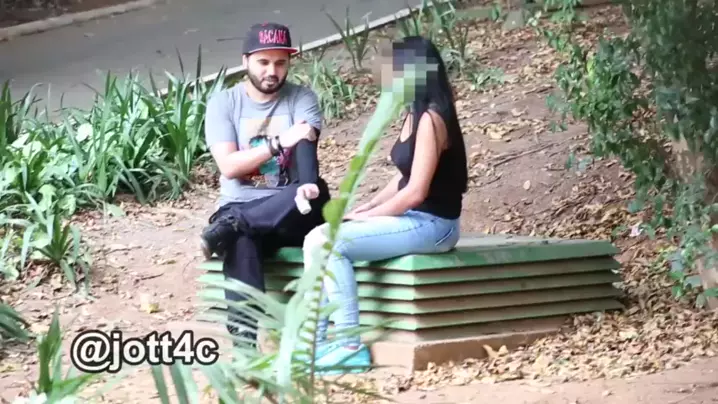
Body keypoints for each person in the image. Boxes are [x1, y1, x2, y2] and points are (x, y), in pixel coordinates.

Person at [299, 36, 468, 375]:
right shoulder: (414, 114)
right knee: (316, 238)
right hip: (415, 219)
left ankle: (349, 346)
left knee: (328, 243)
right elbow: (403, 178)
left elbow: (416, 192)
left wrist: (370, 217)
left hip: (434, 225)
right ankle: (312, 347)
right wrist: (365, 208)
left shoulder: (432, 119)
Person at [201, 22, 331, 349]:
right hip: (241, 205)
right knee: (242, 240)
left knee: (316, 191)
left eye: (280, 63)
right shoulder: (224, 103)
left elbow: (305, 143)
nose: (272, 71)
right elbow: (229, 166)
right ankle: (245, 350)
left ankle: (231, 225)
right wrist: (277, 143)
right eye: (263, 62)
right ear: (245, 61)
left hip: (291, 211)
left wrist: (308, 184)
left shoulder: (301, 98)